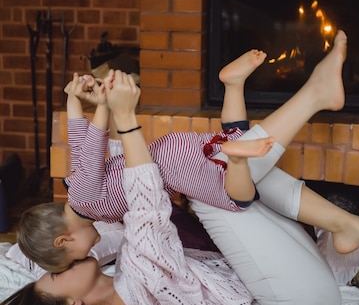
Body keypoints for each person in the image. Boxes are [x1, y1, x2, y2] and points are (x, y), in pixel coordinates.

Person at [0, 44, 359, 305]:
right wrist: (126, 122)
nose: (63, 265)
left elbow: (88, 185)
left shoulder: (115, 270)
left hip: (290, 291)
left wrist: (89, 107)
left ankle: (343, 220)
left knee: (218, 170)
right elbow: (146, 208)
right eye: (55, 274)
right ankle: (310, 101)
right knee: (205, 179)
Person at [16, 48, 273, 272]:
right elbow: (79, 144)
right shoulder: (80, 196)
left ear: (63, 240)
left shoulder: (84, 199)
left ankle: (236, 145)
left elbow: (92, 148)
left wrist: (104, 105)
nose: (87, 256)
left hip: (175, 166)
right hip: (170, 149)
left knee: (238, 199)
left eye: (76, 259)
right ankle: (232, 83)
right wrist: (73, 99)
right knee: (234, 135)